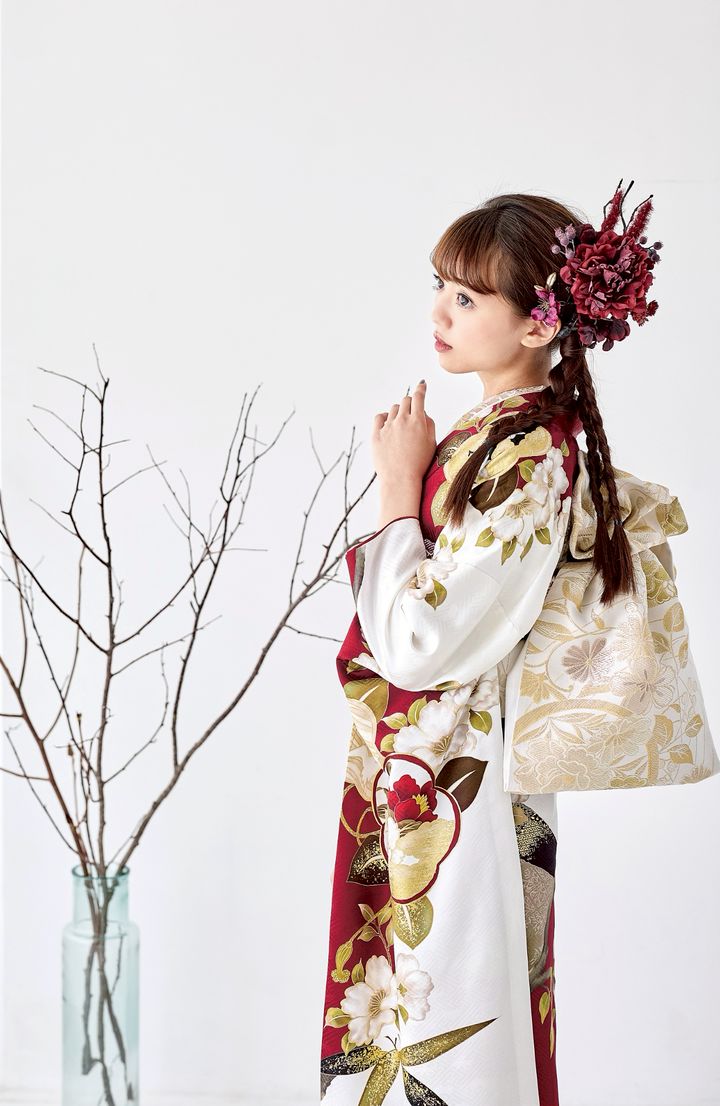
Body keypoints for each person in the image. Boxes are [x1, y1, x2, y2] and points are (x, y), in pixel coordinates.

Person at [319, 182, 700, 1105]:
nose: (439, 314)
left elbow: (421, 643)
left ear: (539, 323)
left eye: (466, 296)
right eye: (440, 288)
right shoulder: (500, 433)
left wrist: (397, 488)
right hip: (433, 770)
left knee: (453, 1032)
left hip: (464, 785)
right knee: (425, 1018)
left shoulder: (528, 453)